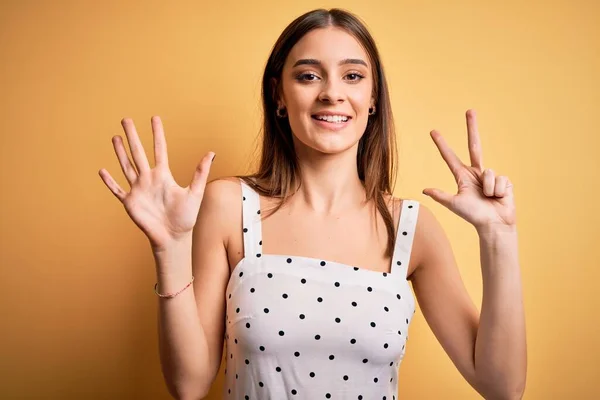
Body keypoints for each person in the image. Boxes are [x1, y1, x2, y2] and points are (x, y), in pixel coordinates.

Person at [98, 8, 526, 400]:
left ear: (373, 98)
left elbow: (501, 386)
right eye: (308, 76)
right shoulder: (230, 206)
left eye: (353, 76)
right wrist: (170, 248)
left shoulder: (411, 229)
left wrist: (498, 236)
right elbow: (188, 385)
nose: (332, 94)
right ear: (279, 95)